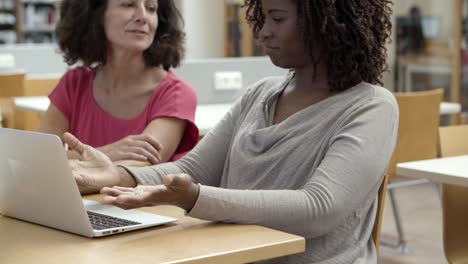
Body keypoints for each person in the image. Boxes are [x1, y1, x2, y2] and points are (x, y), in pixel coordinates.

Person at [65, 0, 397, 262]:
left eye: (277, 19)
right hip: (233, 255)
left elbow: (319, 208)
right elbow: (190, 170)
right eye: (263, 19)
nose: (263, 32)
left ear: (324, 23)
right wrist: (119, 175)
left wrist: (197, 198)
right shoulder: (259, 94)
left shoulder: (371, 106)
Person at [37, 0, 199, 167]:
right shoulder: (74, 84)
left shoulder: (176, 94)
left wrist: (68, 160)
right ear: (96, 15)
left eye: (151, 8)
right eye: (128, 5)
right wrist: (109, 152)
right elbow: (36, 159)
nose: (143, 16)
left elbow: (138, 168)